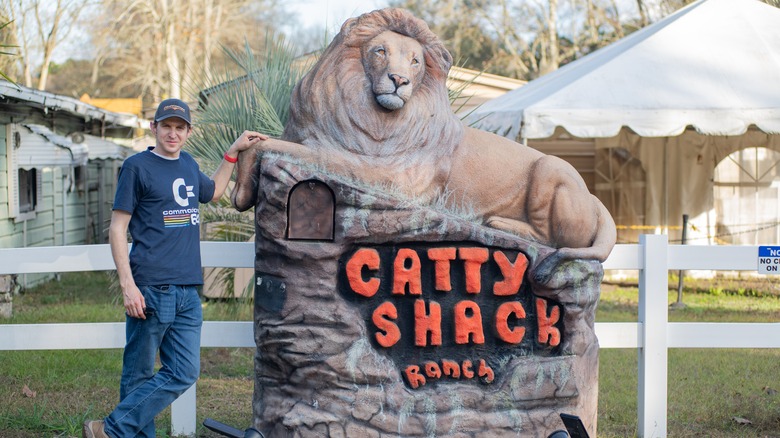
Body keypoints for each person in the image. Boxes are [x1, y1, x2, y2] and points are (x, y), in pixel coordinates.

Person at [83, 98, 266, 438]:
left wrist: (232, 151)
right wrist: (128, 285)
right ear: (154, 128)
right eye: (166, 126)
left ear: (188, 133)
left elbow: (213, 193)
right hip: (152, 287)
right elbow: (117, 228)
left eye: (179, 128)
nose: (172, 133)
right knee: (137, 374)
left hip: (187, 292)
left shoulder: (187, 165)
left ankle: (108, 429)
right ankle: (121, 432)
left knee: (184, 371)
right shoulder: (136, 167)